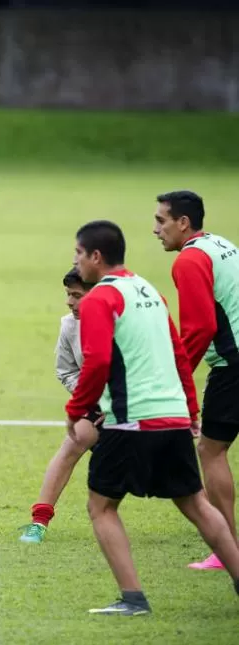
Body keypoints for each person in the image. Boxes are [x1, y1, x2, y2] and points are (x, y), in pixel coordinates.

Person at [66, 220, 239, 615]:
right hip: (173, 416)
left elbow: (97, 362)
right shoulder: (148, 290)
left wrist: (75, 410)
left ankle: (133, 599)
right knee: (195, 502)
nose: (75, 261)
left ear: (95, 256)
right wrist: (191, 409)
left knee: (101, 506)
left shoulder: (98, 299)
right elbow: (179, 354)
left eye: (78, 253)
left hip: (131, 420)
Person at [154, 190, 239, 571]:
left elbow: (201, 326)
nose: (156, 229)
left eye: (161, 221)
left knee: (210, 450)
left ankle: (228, 550)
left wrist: (176, 374)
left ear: (183, 222)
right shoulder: (223, 245)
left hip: (233, 365)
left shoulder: (190, 260)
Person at [19, 268, 99, 544]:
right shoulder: (69, 325)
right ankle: (39, 522)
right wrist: (92, 400)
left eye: (77, 296)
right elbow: (66, 371)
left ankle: (215, 528)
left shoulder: (121, 322)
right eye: (68, 295)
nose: (69, 302)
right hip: (96, 406)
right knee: (72, 443)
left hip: (134, 409)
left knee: (169, 473)